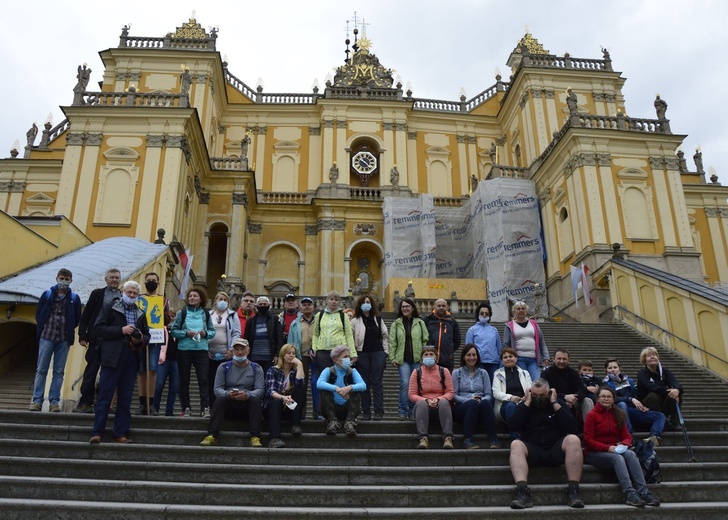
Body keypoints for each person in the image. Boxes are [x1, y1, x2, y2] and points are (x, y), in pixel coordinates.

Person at [507, 379, 584, 509]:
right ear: (531, 393)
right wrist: (527, 403)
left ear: (548, 393)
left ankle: (573, 491)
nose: (538, 398)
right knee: (516, 444)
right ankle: (522, 492)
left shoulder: (558, 404)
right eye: (535, 395)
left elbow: (572, 427)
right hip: (533, 449)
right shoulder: (525, 405)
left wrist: (555, 403)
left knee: (573, 439)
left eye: (542, 395)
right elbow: (513, 426)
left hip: (555, 449)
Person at [89, 281, 149, 443]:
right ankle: (97, 432)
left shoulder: (141, 313)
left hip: (131, 356)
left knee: (126, 397)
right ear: (123, 291)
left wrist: (140, 340)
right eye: (129, 292)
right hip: (112, 356)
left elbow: (147, 335)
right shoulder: (110, 307)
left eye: (134, 294)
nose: (131, 296)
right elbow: (98, 329)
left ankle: (120, 432)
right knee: (105, 395)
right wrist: (120, 330)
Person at [584, 386, 660, 507]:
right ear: (597, 399)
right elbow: (588, 440)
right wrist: (606, 448)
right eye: (603, 396)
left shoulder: (618, 414)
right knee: (618, 459)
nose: (606, 399)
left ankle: (643, 491)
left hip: (615, 449)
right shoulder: (591, 415)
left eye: (609, 396)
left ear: (613, 399)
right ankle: (629, 492)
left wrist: (624, 444)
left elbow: (627, 435)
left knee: (630, 454)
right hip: (595, 452)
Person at [30, 268, 82, 412]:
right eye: (62, 278)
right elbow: (39, 314)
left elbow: (77, 318)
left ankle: (54, 402)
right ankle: (37, 401)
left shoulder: (74, 298)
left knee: (59, 371)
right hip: (47, 336)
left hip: (64, 339)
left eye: (67, 279)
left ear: (71, 281)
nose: (64, 281)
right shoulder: (47, 295)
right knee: (41, 369)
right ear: (56, 278)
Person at [199, 338, 264, 448]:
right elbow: (217, 389)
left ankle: (255, 437)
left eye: (242, 349)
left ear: (248, 350)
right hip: (229, 404)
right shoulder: (224, 367)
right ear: (232, 350)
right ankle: (212, 435)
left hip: (247, 405)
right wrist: (227, 394)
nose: (239, 352)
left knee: (255, 399)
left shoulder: (256, 368)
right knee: (220, 399)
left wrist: (247, 395)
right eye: (237, 349)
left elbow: (260, 390)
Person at [74, 268, 121, 413]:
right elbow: (86, 315)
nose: (114, 280)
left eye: (117, 278)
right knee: (91, 372)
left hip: (113, 341)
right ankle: (85, 402)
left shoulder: (122, 296)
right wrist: (82, 335)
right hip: (96, 340)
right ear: (106, 279)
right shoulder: (97, 294)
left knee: (108, 375)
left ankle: (104, 404)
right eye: (112, 277)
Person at [171, 287, 216, 418]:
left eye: (195, 296)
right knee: (184, 380)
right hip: (184, 349)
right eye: (190, 296)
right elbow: (174, 331)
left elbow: (212, 332)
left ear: (201, 299)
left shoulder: (206, 314)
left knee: (203, 379)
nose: (192, 298)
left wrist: (205, 333)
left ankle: (205, 408)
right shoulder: (182, 313)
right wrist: (186, 333)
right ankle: (186, 408)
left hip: (201, 350)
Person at [603, 357, 665, 445]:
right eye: (610, 368)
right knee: (622, 404)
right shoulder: (605, 383)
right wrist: (630, 399)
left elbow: (636, 394)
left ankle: (653, 438)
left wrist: (642, 405)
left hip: (633, 410)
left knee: (660, 416)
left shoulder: (629, 380)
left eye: (615, 367)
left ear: (619, 368)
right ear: (606, 371)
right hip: (618, 411)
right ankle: (628, 436)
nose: (613, 370)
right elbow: (612, 399)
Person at [452, 344, 499, 449]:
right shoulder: (456, 373)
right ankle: (467, 439)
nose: (471, 358)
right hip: (462, 408)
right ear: (464, 357)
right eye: (468, 355)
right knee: (472, 403)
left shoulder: (483, 373)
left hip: (481, 406)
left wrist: (481, 400)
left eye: (474, 355)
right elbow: (454, 395)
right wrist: (469, 400)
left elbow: (488, 394)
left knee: (486, 402)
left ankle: (493, 439)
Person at [388, 298, 429, 420]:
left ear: (412, 308)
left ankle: (413, 411)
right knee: (405, 383)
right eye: (403, 307)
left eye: (407, 306)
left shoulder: (420, 323)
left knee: (415, 385)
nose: (405, 308)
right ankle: (402, 410)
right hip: (403, 359)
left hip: (417, 360)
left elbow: (425, 340)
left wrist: (425, 356)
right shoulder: (396, 323)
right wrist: (392, 358)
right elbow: (392, 342)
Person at [136, 272, 171, 416]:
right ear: (144, 283)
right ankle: (142, 403)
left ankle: (151, 403)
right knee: (141, 371)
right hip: (140, 337)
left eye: (154, 280)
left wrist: (165, 316)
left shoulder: (163, 300)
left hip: (155, 337)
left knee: (153, 370)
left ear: (158, 283)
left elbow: (167, 319)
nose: (151, 282)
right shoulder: (138, 299)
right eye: (149, 280)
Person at [350, 294, 388, 421]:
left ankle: (379, 411)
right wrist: (353, 353)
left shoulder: (378, 319)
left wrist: (385, 352)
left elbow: (385, 335)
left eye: (368, 302)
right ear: (359, 305)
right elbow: (351, 337)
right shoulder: (355, 321)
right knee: (364, 384)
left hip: (378, 352)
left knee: (377, 383)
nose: (366, 304)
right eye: (363, 302)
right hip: (362, 354)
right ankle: (366, 412)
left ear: (372, 304)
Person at [409, 345, 455, 449]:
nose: (428, 356)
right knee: (421, 403)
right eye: (426, 355)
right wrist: (426, 400)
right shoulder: (416, 372)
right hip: (423, 408)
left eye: (431, 354)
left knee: (444, 402)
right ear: (422, 358)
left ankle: (448, 437)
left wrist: (439, 399)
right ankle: (423, 438)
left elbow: (450, 392)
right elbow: (412, 394)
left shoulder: (444, 371)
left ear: (436, 358)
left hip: (441, 406)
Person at [317, 345, 366, 437]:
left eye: (349, 356)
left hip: (348, 409)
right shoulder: (328, 370)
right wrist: (336, 389)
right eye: (345, 357)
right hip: (331, 409)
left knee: (356, 390)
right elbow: (319, 384)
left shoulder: (352, 371)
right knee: (324, 390)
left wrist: (350, 388)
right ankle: (333, 422)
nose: (348, 359)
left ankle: (350, 422)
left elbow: (363, 385)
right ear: (336, 360)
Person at [263, 344, 306, 447]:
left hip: (289, 407)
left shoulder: (294, 372)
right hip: (272, 407)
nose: (291, 355)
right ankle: (275, 438)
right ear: (282, 355)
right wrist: (282, 397)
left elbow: (300, 384)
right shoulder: (273, 370)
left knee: (300, 391)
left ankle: (295, 425)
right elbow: (270, 391)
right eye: (288, 353)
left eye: (293, 353)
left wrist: (300, 365)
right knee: (276, 401)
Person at [207, 291, 241, 408]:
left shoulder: (232, 315)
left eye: (225, 299)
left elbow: (236, 332)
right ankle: (211, 407)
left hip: (226, 354)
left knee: (225, 382)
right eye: (220, 299)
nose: (222, 301)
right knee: (211, 381)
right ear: (215, 301)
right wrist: (205, 349)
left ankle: (224, 407)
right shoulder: (209, 315)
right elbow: (203, 331)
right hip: (210, 354)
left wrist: (231, 349)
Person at [635, 347, 683, 430]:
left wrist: (677, 390)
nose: (653, 357)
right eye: (649, 356)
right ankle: (659, 421)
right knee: (654, 395)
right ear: (644, 360)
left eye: (654, 355)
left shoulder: (665, 372)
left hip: (662, 404)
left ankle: (675, 422)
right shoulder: (641, 373)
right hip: (647, 405)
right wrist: (668, 391)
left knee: (675, 394)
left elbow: (675, 383)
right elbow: (651, 387)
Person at [288, 296, 320, 418]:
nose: (307, 306)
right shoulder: (295, 323)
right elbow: (291, 341)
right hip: (301, 357)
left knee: (317, 384)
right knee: (301, 386)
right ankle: (301, 413)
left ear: (314, 307)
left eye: (309, 304)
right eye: (304, 304)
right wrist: (292, 357)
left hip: (317, 356)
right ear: (300, 307)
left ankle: (318, 412)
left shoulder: (319, 321)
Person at [542, 349, 594, 422]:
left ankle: (589, 429)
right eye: (559, 358)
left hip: (573, 401)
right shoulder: (546, 374)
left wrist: (574, 398)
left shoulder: (573, 373)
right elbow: (545, 392)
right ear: (553, 359)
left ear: (568, 360)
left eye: (564, 359)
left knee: (587, 401)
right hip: (554, 402)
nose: (562, 361)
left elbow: (582, 389)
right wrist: (564, 397)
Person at [503, 300, 549, 382]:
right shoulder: (509, 326)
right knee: (524, 382)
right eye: (518, 308)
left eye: (523, 308)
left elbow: (542, 342)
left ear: (526, 311)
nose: (521, 310)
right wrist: (508, 358)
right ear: (514, 311)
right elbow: (506, 345)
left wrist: (545, 356)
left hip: (534, 359)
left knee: (537, 381)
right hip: (519, 359)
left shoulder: (534, 324)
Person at [492, 347, 532, 437]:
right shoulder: (497, 374)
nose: (508, 359)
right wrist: (511, 398)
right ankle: (515, 437)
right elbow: (496, 392)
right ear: (502, 360)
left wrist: (527, 396)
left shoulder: (525, 373)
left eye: (511, 356)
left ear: (516, 358)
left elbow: (530, 389)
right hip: (505, 406)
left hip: (523, 403)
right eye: (505, 357)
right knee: (511, 406)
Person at [312, 291, 356, 371]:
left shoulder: (344, 316)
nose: (333, 302)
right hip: (322, 351)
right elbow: (315, 334)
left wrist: (352, 353)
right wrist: (314, 348)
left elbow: (349, 335)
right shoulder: (319, 315)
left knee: (339, 375)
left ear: (339, 302)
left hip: (339, 352)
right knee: (324, 375)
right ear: (327, 301)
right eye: (331, 299)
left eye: (336, 300)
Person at [243, 295, 284, 373]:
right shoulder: (251, 320)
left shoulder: (275, 320)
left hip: (270, 357)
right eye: (260, 304)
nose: (262, 306)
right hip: (254, 356)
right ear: (256, 306)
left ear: (269, 306)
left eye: (264, 304)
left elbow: (279, 339)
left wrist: (277, 355)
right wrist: (246, 354)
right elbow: (246, 338)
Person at [465, 301, 501, 385]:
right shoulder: (472, 330)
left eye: (486, 313)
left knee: (494, 386)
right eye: (482, 313)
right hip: (478, 363)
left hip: (493, 363)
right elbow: (468, 348)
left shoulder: (494, 330)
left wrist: (501, 363)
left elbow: (499, 347)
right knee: (479, 385)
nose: (484, 315)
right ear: (478, 315)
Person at [423, 298, 461, 372]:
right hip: (430, 359)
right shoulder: (427, 320)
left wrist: (450, 351)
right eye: (439, 306)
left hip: (447, 360)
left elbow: (457, 340)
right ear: (434, 307)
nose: (441, 307)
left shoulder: (452, 322)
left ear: (446, 307)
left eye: (443, 306)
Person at [153, 315, 180, 416]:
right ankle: (155, 408)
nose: (172, 319)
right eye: (170, 316)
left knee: (174, 387)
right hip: (163, 361)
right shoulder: (162, 329)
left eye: (174, 316)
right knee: (159, 385)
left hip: (176, 361)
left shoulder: (178, 331)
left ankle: (169, 410)